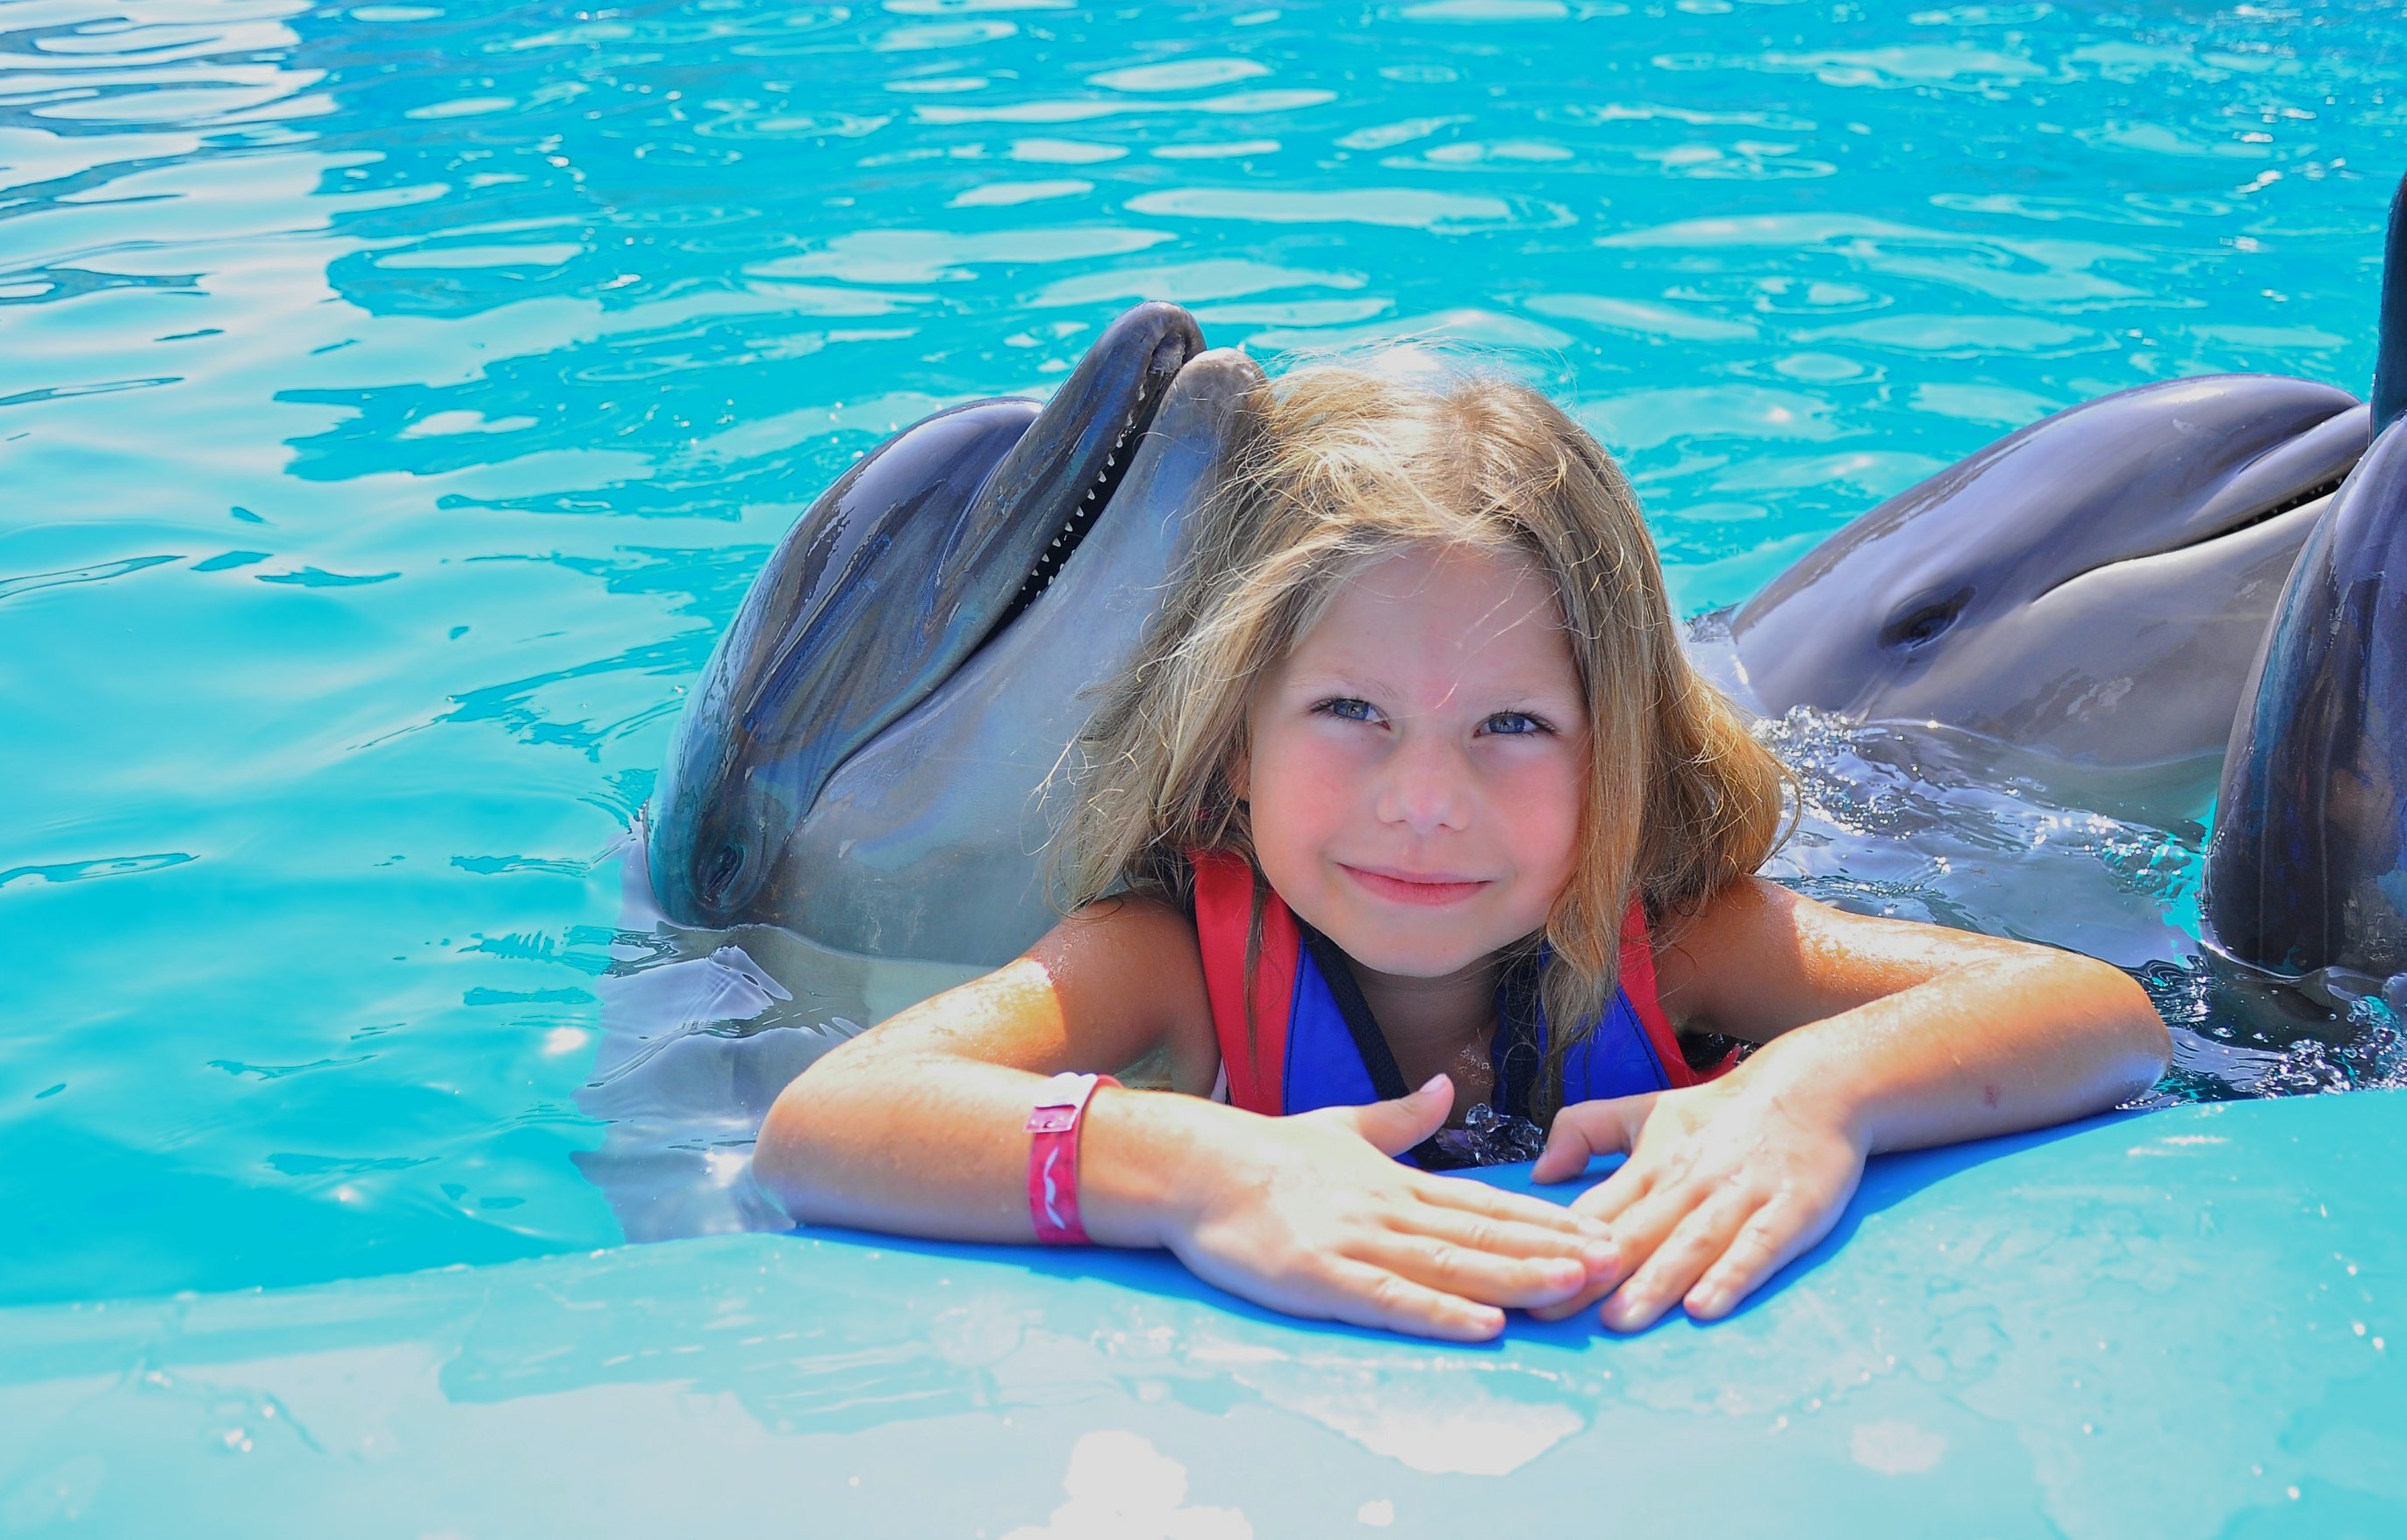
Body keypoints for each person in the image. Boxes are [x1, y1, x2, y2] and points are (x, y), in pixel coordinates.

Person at [753, 361, 2172, 1342]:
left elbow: (2102, 1018)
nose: (1424, 799)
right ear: (1232, 742)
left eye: (1510, 724)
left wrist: (1813, 1095)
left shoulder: (1674, 939)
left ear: (1617, 751)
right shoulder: (1176, 963)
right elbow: (829, 1125)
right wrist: (1192, 1173)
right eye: (1350, 713)